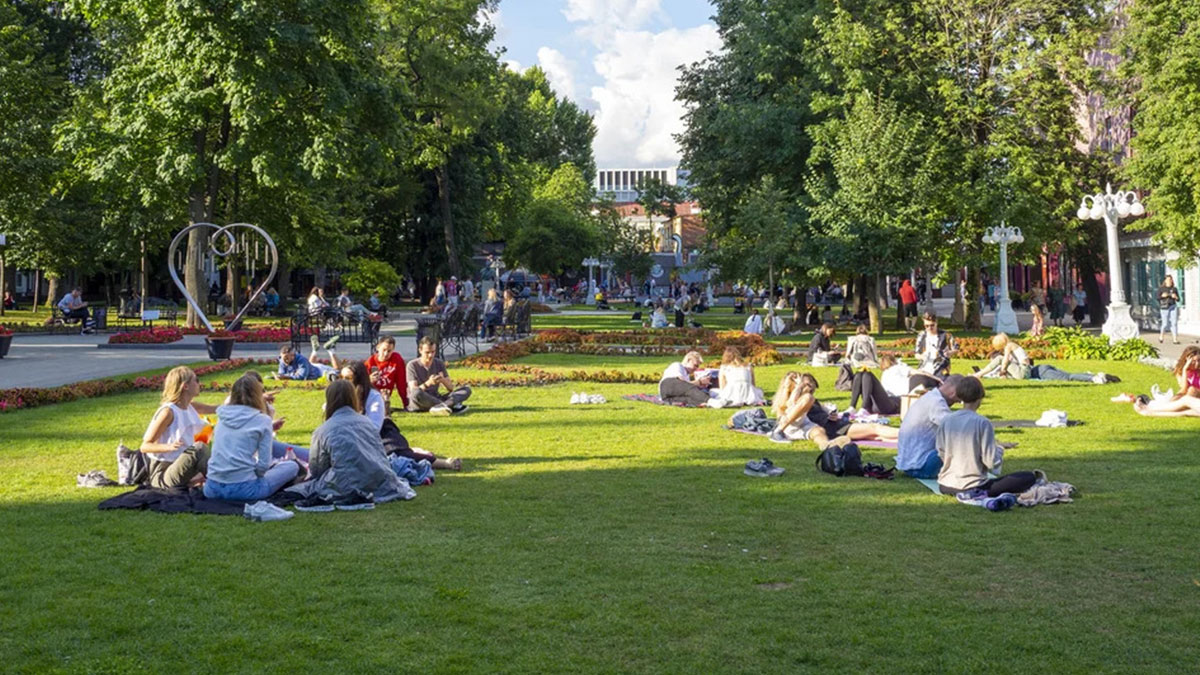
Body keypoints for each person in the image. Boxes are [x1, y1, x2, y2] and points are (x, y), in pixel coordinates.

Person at [298, 380, 416, 509]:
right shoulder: (368, 423)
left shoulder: (323, 430)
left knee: (304, 487)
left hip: (344, 484)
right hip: (379, 479)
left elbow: (317, 470)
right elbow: (380, 455)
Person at [203, 374, 301, 501]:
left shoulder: (222, 417)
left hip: (212, 488)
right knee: (292, 466)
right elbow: (263, 465)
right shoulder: (262, 420)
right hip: (245, 489)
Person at [936, 377, 1037, 497]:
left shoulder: (947, 420)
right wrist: (999, 449)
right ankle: (979, 492)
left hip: (945, 484)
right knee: (1028, 477)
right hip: (972, 485)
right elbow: (991, 461)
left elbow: (940, 450)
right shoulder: (982, 423)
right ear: (980, 397)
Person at [139, 366, 218, 489]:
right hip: (163, 473)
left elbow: (216, 409)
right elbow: (145, 446)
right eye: (196, 380)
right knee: (199, 448)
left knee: (207, 443)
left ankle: (224, 481)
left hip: (180, 466)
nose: (199, 383)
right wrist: (167, 447)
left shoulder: (190, 406)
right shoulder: (168, 412)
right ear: (185, 386)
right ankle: (224, 483)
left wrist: (239, 404)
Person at [769, 372, 898, 446]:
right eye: (805, 384)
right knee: (874, 428)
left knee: (875, 436)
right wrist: (796, 387)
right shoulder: (797, 402)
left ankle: (906, 438)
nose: (810, 387)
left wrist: (830, 414)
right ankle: (908, 434)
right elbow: (789, 405)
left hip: (835, 425)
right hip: (835, 428)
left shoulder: (808, 400)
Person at [895, 375, 963, 478]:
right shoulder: (937, 403)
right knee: (960, 444)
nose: (958, 402)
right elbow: (955, 429)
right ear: (954, 392)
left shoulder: (929, 397)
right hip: (920, 466)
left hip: (909, 463)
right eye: (958, 399)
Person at [974, 333, 1112, 383]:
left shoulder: (1009, 346)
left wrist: (1003, 371)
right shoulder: (1014, 345)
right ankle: (1090, 376)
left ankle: (1092, 378)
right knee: (1068, 375)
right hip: (1035, 369)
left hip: (1028, 372)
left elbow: (1003, 361)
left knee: (1068, 378)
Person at [407, 337, 471, 414]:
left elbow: (450, 388)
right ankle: (448, 405)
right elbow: (414, 390)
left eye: (433, 352)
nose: (430, 355)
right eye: (427, 352)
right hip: (421, 400)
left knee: (466, 390)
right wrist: (428, 383)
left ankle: (442, 406)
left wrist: (442, 380)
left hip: (436, 397)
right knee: (416, 393)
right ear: (420, 350)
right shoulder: (412, 365)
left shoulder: (439, 363)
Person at [1131, 347, 1200, 417]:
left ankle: (1150, 408)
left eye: (1199, 360)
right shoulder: (1180, 371)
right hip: (1187, 395)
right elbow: (1183, 389)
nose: (1197, 364)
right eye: (1193, 361)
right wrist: (1185, 369)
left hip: (1195, 395)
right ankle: (1150, 412)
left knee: (1191, 391)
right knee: (1185, 410)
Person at [365, 335, 408, 409]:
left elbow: (401, 383)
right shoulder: (369, 363)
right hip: (371, 395)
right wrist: (369, 380)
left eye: (389, 351)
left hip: (385, 394)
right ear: (378, 347)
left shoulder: (396, 359)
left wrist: (406, 404)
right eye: (384, 350)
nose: (386, 354)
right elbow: (360, 385)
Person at [273, 339, 342, 381]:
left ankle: (330, 350)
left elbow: (302, 376)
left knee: (338, 371)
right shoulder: (282, 360)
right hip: (311, 367)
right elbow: (281, 374)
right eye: (284, 359)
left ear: (293, 356)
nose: (286, 361)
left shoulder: (301, 360)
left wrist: (287, 376)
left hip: (320, 371)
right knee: (309, 364)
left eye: (287, 358)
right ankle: (314, 350)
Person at [1158, 274, 1181, 345]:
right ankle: (1161, 336)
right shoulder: (1161, 289)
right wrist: (1163, 296)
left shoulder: (1174, 289)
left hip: (1173, 306)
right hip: (1164, 307)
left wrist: (1176, 297)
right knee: (1165, 323)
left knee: (1174, 323)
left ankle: (1175, 339)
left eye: (1170, 279)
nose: (1169, 281)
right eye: (1168, 279)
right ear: (1165, 280)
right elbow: (1157, 298)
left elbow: (1178, 299)